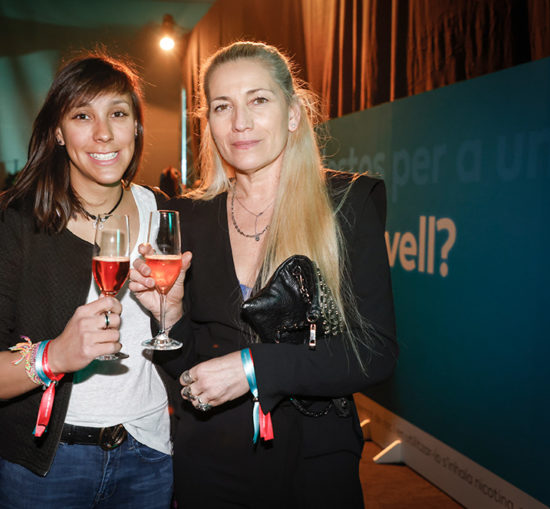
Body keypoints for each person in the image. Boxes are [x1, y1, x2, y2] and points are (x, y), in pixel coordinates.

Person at [129, 41, 398, 507]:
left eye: (258, 100)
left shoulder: (346, 205)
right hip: (210, 461)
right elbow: (186, 368)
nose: (240, 122)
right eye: (222, 106)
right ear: (208, 122)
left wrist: (254, 368)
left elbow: (375, 353)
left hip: (314, 463)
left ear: (292, 114)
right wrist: (168, 315)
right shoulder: (189, 218)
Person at [0, 53, 174, 508]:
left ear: (136, 127)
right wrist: (53, 357)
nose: (103, 133)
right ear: (57, 131)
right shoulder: (16, 223)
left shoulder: (161, 212)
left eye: (118, 114)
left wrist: (176, 311)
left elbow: (193, 338)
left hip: (148, 454)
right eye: (82, 116)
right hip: (46, 467)